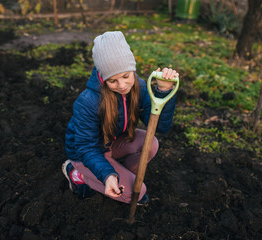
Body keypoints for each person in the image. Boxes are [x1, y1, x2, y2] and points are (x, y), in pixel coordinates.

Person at [62, 31, 178, 204]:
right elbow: (86, 147)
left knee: (151, 144)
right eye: (113, 81)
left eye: (126, 76)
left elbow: (159, 126)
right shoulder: (88, 102)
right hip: (87, 153)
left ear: (132, 69)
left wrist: (163, 91)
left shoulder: (138, 86)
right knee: (137, 194)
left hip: (112, 143)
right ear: (103, 79)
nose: (122, 85)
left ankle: (118, 172)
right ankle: (76, 173)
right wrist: (108, 175)